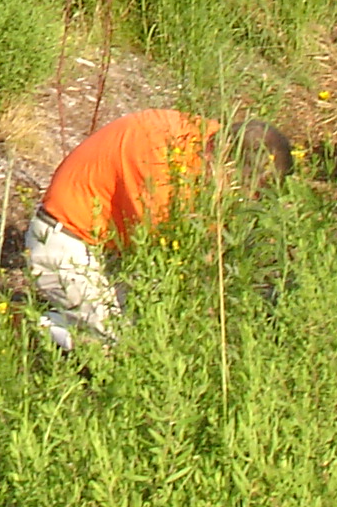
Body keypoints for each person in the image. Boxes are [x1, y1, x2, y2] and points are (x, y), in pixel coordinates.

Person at [22, 109, 292, 348]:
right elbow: (168, 262)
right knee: (127, 340)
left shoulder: (206, 136)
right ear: (226, 162)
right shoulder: (163, 170)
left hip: (110, 246)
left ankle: (71, 319)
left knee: (148, 324)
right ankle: (32, 325)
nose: (241, 199)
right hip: (63, 242)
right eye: (242, 189)